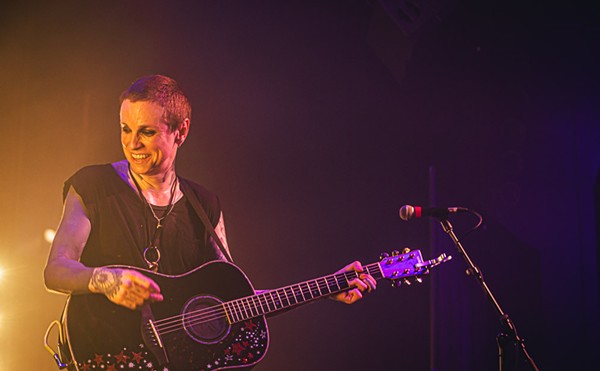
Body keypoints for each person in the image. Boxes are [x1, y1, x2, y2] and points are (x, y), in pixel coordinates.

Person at [43, 74, 376, 367]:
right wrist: (106, 280)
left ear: (181, 131)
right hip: (99, 352)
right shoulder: (92, 185)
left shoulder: (204, 206)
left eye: (146, 132)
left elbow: (235, 301)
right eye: (125, 129)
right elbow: (56, 269)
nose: (132, 143)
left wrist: (325, 288)